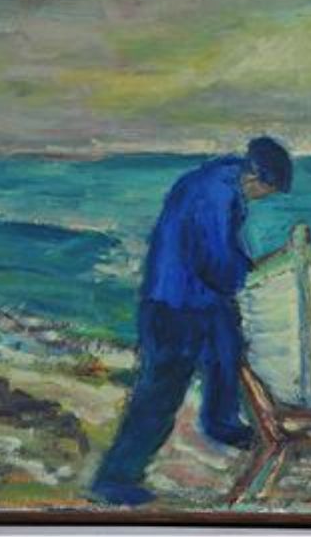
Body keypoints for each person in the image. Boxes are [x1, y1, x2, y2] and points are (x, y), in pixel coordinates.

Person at [90, 136, 293, 506]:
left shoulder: (221, 180)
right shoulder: (214, 194)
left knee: (228, 350)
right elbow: (217, 261)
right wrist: (253, 275)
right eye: (268, 192)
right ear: (257, 178)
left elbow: (222, 252)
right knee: (161, 389)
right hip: (175, 303)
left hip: (203, 299)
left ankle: (222, 423)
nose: (262, 199)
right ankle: (115, 478)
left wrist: (246, 270)